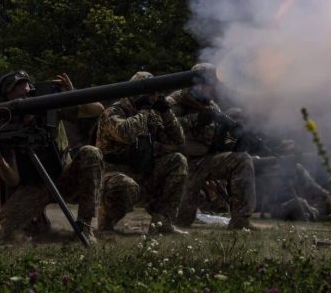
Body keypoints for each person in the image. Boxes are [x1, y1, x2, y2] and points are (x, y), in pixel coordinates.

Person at [0, 70, 103, 243]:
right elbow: (13, 180)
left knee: (90, 153)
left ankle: (84, 227)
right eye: (17, 88)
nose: (25, 90)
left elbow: (97, 110)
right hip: (34, 187)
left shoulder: (51, 110)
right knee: (9, 224)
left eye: (25, 85)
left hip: (64, 178)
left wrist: (72, 93)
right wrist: (1, 162)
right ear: (6, 97)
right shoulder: (4, 129)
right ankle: (38, 222)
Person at [96, 72, 188, 235]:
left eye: (156, 93)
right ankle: (106, 222)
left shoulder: (152, 113)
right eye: (151, 92)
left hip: (143, 172)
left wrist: (166, 113)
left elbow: (178, 141)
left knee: (178, 161)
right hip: (114, 173)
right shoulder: (114, 112)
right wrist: (144, 111)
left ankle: (162, 222)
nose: (154, 96)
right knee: (124, 184)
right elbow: (126, 134)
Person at [170, 63, 257, 230]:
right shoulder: (176, 101)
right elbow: (164, 127)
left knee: (242, 160)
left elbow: (218, 142)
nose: (212, 89)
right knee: (180, 221)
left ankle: (241, 220)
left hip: (203, 162)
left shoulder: (211, 106)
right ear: (196, 82)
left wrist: (234, 136)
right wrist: (196, 119)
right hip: (178, 164)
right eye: (209, 84)